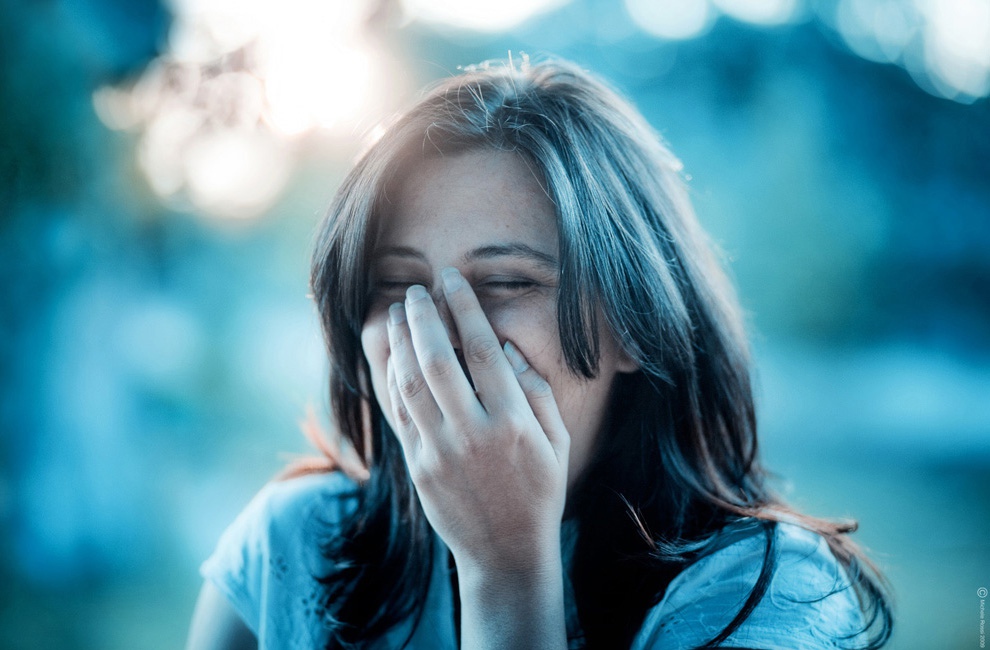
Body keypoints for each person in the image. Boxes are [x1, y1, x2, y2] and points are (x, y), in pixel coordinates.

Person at [186, 56, 892, 650]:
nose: (441, 338)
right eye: (396, 285)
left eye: (506, 282)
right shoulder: (290, 548)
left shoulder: (770, 598)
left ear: (633, 323)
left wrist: (506, 574)